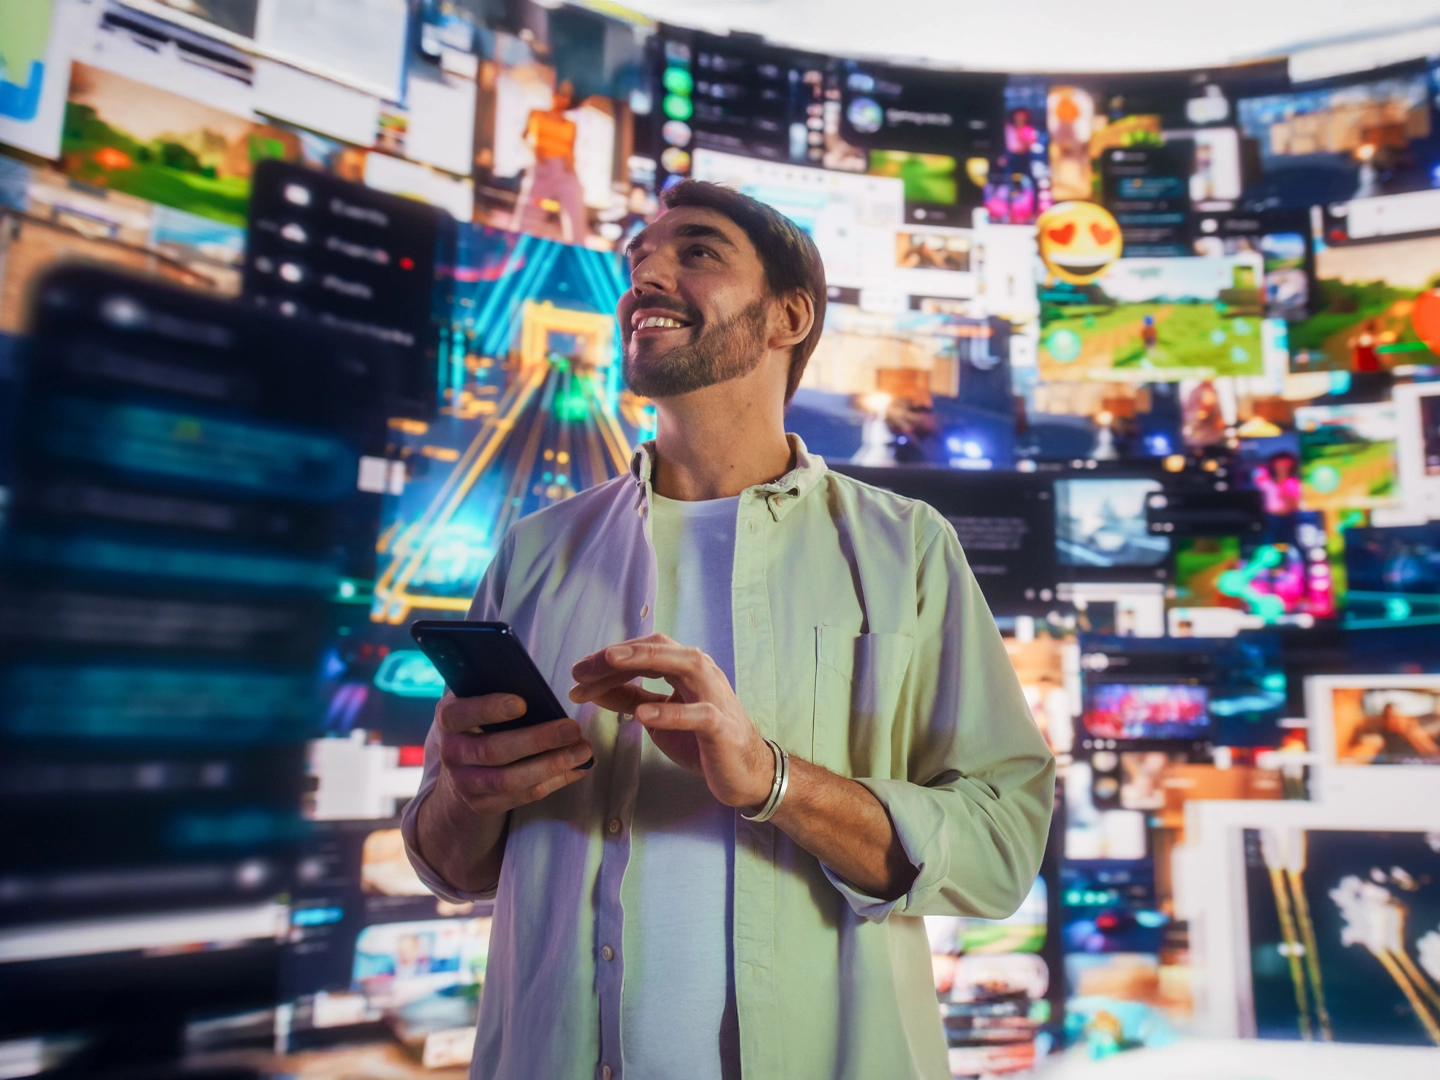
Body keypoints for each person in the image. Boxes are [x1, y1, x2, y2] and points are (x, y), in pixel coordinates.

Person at [403, 180, 1055, 1079]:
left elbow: (1001, 850)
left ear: (790, 315)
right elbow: (451, 865)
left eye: (697, 252)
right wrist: (466, 794)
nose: (645, 278)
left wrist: (774, 780)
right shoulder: (536, 551)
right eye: (637, 260)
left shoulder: (905, 548)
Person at [510, 80, 589, 245]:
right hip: (543, 166)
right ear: (553, 94)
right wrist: (533, 149)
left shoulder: (571, 125)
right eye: (559, 94)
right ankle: (518, 249)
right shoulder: (536, 114)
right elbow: (523, 137)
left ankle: (577, 249)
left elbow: (571, 150)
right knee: (527, 217)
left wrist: (571, 163)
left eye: (566, 96)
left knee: (575, 217)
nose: (561, 99)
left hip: (565, 169)